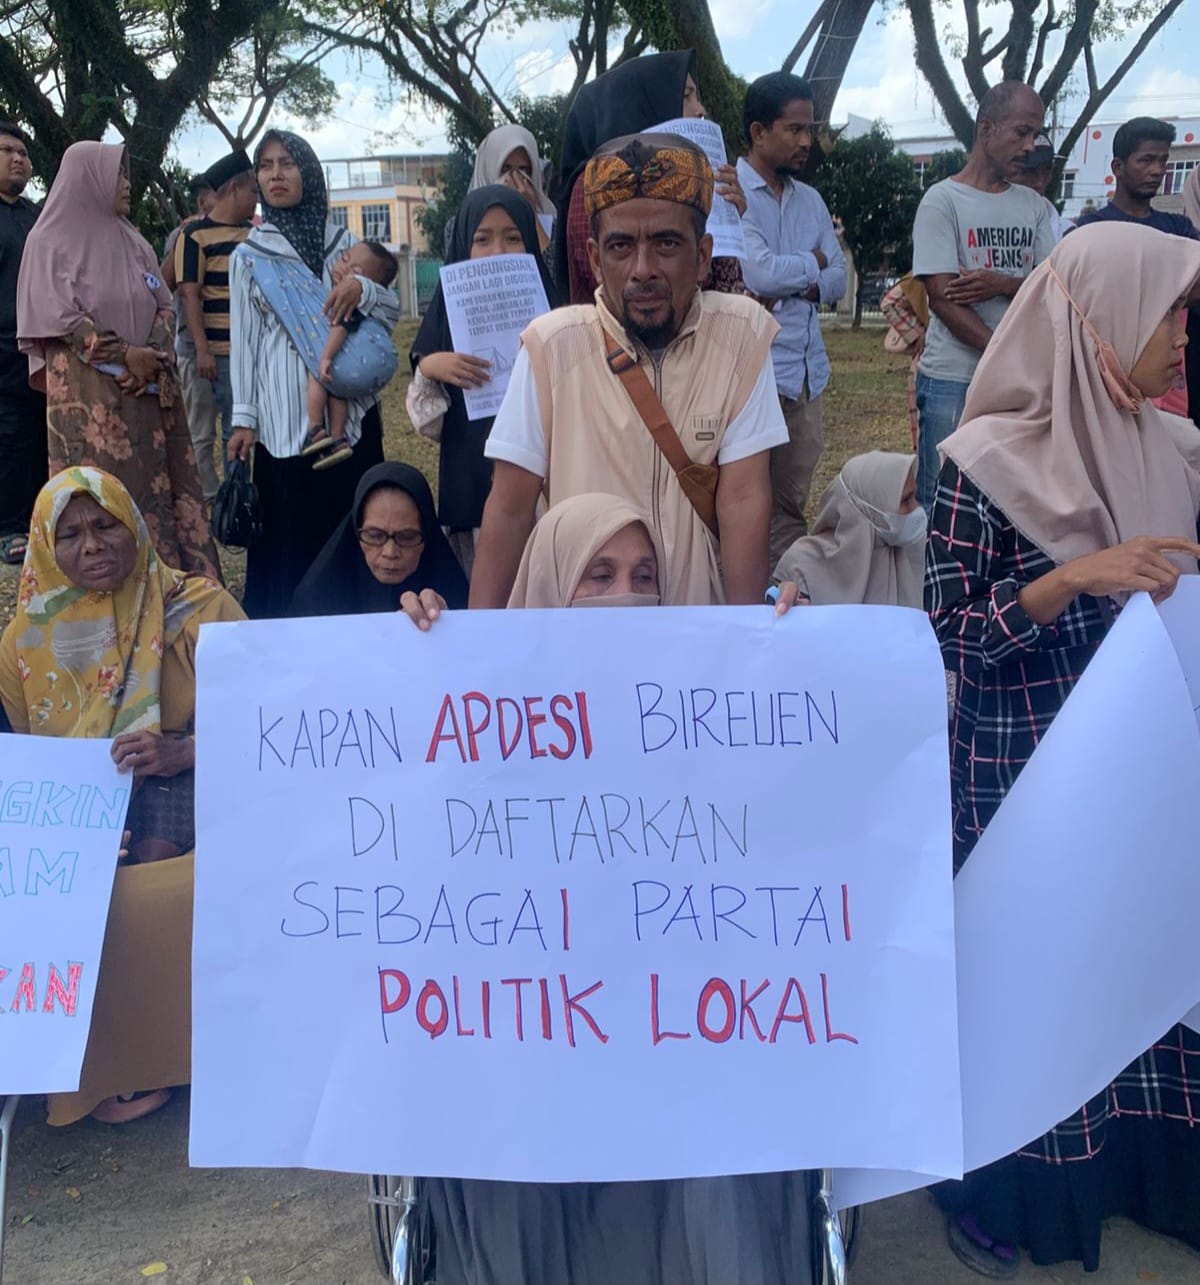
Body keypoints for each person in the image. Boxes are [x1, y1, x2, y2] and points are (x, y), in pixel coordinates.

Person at [400, 491, 808, 1285]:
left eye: (645, 576)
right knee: (501, 1115)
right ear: (551, 584)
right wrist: (415, 656)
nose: (628, 595)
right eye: (600, 575)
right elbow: (427, 846)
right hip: (533, 1031)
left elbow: (779, 821)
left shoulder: (699, 712)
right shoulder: (487, 715)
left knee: (721, 1130)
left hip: (676, 1022)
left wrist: (791, 648)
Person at [926, 222, 1200, 1275]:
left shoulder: (1167, 447)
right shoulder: (987, 462)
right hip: (1025, 771)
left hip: (1138, 767)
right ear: (1099, 325)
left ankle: (1142, 1172)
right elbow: (952, 632)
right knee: (1037, 979)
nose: (1182, 338)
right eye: (1169, 315)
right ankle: (1018, 1189)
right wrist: (1076, 576)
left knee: (1136, 958)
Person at [0, 466, 244, 1126]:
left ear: (133, 525)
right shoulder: (23, 642)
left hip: (198, 782)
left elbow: (265, 725)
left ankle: (162, 1058)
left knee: (147, 880)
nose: (92, 545)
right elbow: (35, 770)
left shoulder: (201, 609)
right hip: (85, 813)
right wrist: (78, 838)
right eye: (70, 534)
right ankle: (95, 1070)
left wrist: (182, 751)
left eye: (105, 525)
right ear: (45, 545)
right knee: (77, 891)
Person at [470, 134, 786, 609]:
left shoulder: (741, 337)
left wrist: (742, 638)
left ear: (703, 256)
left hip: (693, 631)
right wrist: (478, 642)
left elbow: (743, 499)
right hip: (581, 636)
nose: (642, 269)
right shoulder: (551, 347)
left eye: (666, 243)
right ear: (595, 259)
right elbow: (510, 510)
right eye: (620, 246)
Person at [16, 141, 219, 578]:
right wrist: (127, 356)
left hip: (149, 395)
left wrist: (151, 355)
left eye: (126, 174)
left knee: (157, 494)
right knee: (101, 500)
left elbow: (164, 303)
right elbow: (58, 317)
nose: (127, 184)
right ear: (88, 179)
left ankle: (168, 589)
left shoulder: (135, 242)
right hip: (92, 402)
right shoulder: (47, 242)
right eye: (118, 175)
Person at [227, 129, 400, 618]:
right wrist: (244, 420)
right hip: (284, 427)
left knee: (352, 533)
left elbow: (390, 312)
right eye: (265, 166)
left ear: (309, 172)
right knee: (291, 549)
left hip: (353, 422)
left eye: (287, 163)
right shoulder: (250, 257)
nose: (275, 175)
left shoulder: (347, 247)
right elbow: (245, 344)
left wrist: (364, 291)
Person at [911, 82, 1055, 513]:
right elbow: (943, 298)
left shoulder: (1034, 206)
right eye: (1022, 132)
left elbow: (1053, 285)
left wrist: (1003, 284)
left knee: (1008, 504)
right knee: (943, 502)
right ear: (986, 129)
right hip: (953, 379)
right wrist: (1004, 353)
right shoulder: (942, 201)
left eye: (1036, 135)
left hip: (1017, 382)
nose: (1030, 146)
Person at [408, 186, 557, 576]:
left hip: (546, 494)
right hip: (472, 486)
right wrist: (430, 367)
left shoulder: (557, 315)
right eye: (482, 239)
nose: (497, 252)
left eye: (513, 238)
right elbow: (429, 424)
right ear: (463, 244)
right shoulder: (446, 315)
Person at [738, 72, 848, 564]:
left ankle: (780, 593)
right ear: (759, 132)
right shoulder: (730, 194)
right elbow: (756, 273)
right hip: (751, 374)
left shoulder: (811, 200)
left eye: (810, 129)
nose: (807, 142)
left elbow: (838, 280)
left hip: (805, 378)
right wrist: (812, 263)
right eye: (795, 129)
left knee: (790, 506)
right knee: (743, 502)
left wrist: (795, 278)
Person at [554, 50, 747, 302]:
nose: (700, 110)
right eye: (686, 96)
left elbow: (724, 294)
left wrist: (726, 220)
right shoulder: (592, 186)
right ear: (643, 106)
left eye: (697, 97)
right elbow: (629, 298)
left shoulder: (686, 180)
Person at [291, 461, 467, 617]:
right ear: (356, 531)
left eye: (406, 537)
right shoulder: (317, 600)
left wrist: (442, 619)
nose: (390, 552)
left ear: (427, 534)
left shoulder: (451, 595)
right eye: (375, 536)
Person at [174, 149, 257, 468]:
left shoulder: (253, 235)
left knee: (241, 433)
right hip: (215, 354)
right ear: (234, 188)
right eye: (252, 191)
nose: (256, 200)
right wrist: (202, 350)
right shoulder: (194, 236)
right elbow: (189, 294)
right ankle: (211, 494)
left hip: (247, 354)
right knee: (208, 434)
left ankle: (240, 491)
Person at [772, 452, 924, 608]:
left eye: (915, 497)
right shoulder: (805, 567)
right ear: (871, 510)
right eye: (905, 500)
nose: (916, 507)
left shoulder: (917, 551)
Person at [304, 240, 399, 470]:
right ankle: (338, 440)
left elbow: (340, 327)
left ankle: (316, 428)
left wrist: (326, 357)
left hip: (340, 355)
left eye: (355, 272)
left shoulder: (349, 301)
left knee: (316, 377)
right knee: (339, 394)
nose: (343, 268)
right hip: (351, 364)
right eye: (344, 259)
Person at [0, 120, 44, 565]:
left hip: (40, 346)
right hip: (2, 350)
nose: (18, 159)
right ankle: (9, 528)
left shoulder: (38, 217)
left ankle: (42, 521)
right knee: (9, 438)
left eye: (23, 153)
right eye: (7, 151)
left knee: (39, 436)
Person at [161, 176, 219, 500]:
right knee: (201, 430)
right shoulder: (183, 235)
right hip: (193, 349)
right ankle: (206, 496)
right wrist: (200, 348)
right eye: (218, 196)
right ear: (202, 202)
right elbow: (173, 287)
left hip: (231, 347)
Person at [1073, 117, 1199, 240]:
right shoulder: (1091, 228)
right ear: (1118, 167)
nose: (1158, 170)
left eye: (1163, 161)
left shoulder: (1180, 229)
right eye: (1146, 160)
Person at [467, 123, 556, 253]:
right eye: (505, 169)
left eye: (523, 170)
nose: (514, 179)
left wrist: (530, 213)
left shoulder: (551, 222)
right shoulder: (462, 224)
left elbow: (553, 264)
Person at [1012, 133, 1072, 242]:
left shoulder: (1067, 234)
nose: (1039, 182)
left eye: (1046, 171)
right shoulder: (987, 224)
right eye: (1030, 172)